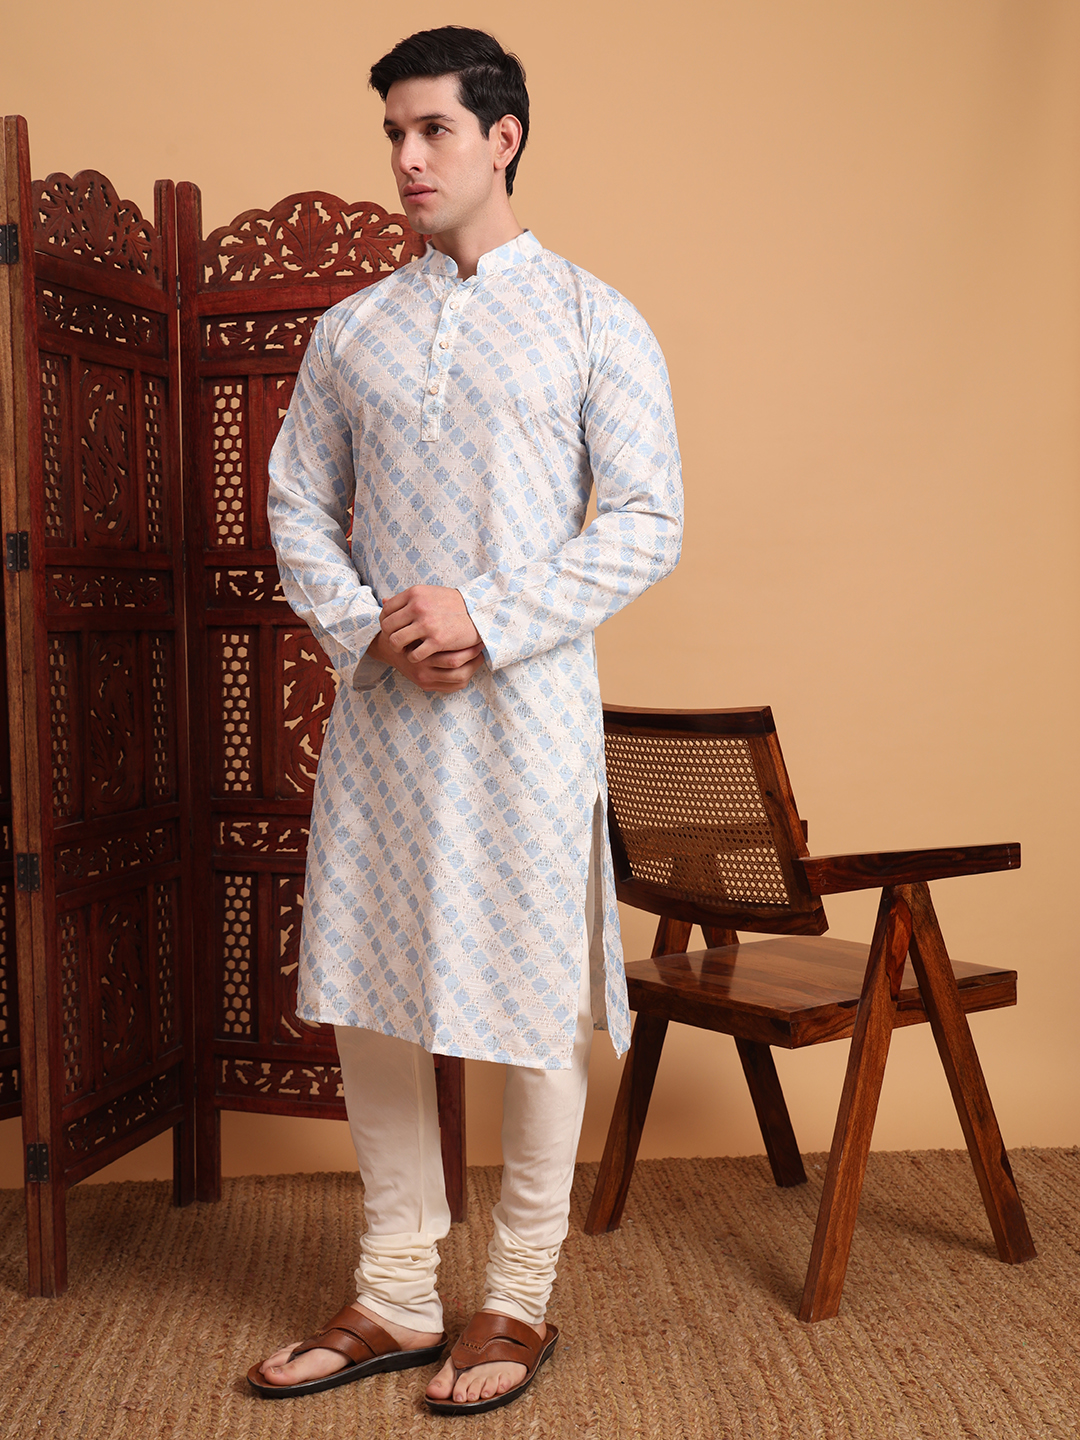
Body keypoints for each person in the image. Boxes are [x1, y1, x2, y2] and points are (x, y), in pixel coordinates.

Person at [249, 25, 682, 1417]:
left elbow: (649, 521)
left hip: (527, 714)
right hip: (384, 718)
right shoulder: (354, 329)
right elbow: (296, 502)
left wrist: (484, 614)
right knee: (373, 994)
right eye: (393, 132)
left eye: (432, 128)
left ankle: (516, 1298)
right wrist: (373, 622)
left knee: (539, 1000)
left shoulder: (594, 318)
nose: (406, 157)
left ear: (504, 137)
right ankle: (392, 1289)